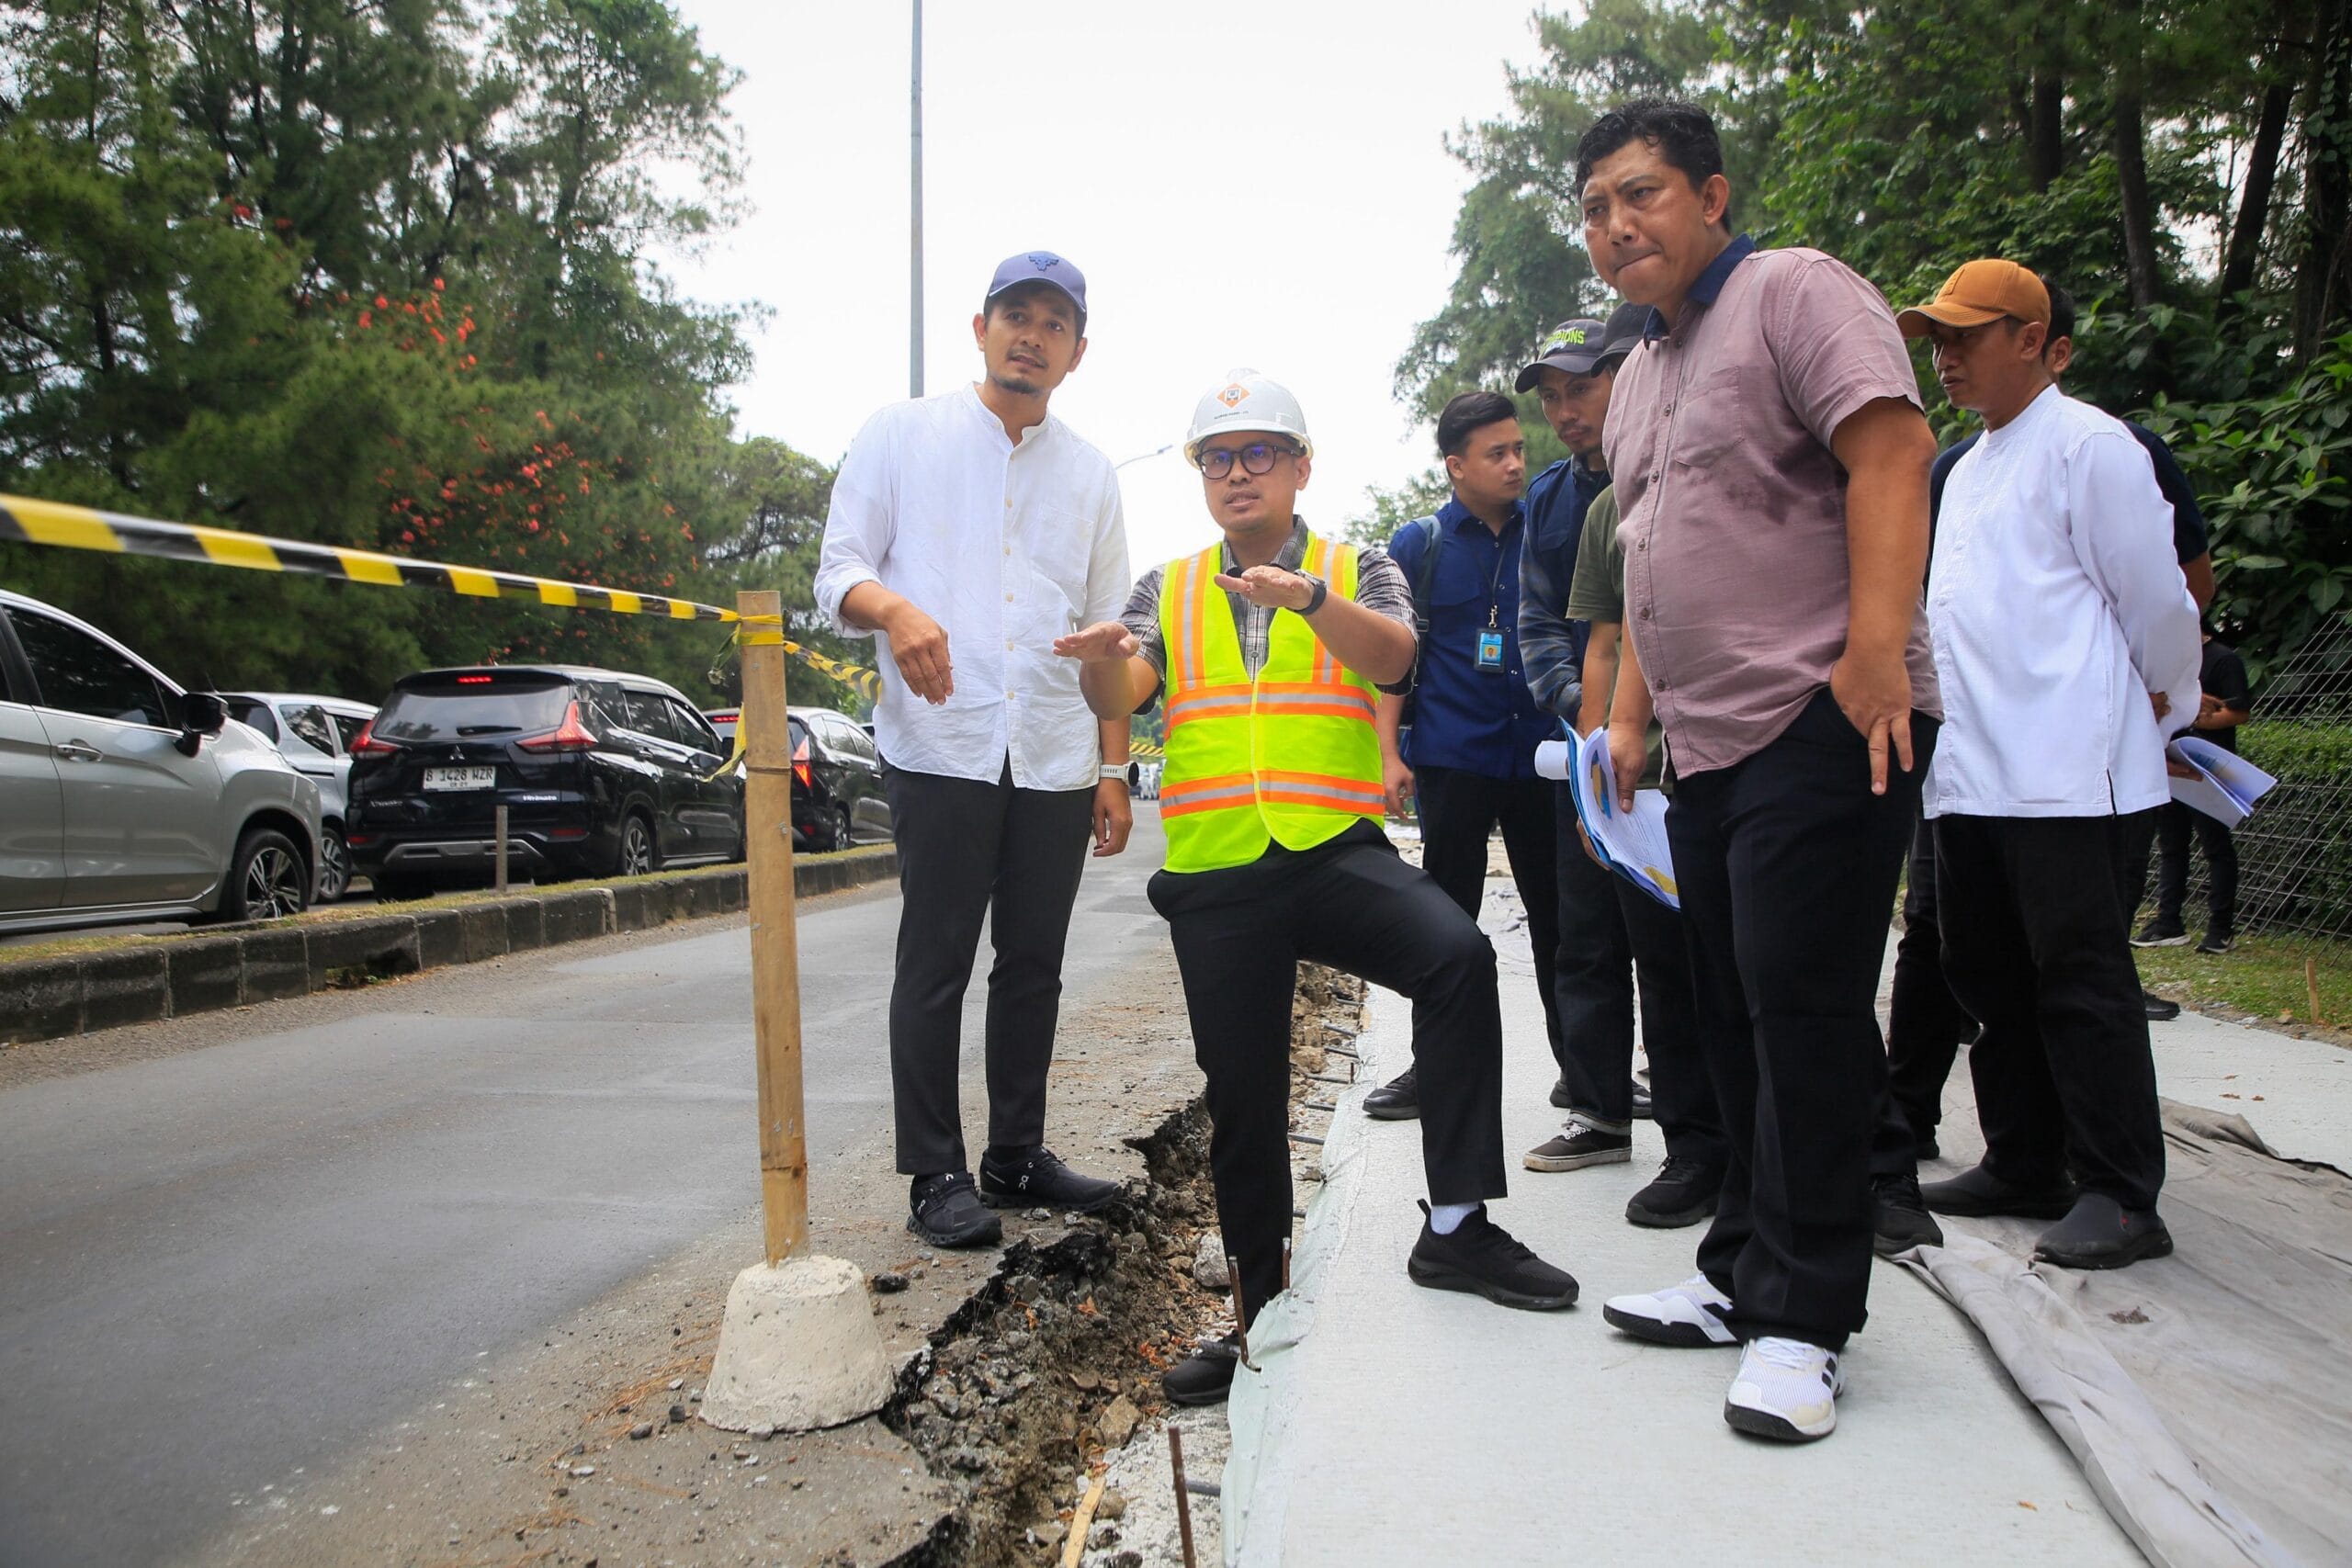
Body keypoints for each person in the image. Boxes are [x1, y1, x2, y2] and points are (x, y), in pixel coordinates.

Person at [1056, 369, 1579, 1407]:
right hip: (1217, 875)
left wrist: (1308, 600)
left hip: (1333, 851)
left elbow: (1394, 662)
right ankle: (1258, 1316)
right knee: (1243, 1100)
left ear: (1300, 468)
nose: (1237, 473)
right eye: (1218, 458)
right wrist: (1102, 666)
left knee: (1457, 957)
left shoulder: (1359, 565)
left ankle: (1458, 1228)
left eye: (1259, 454)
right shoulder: (1167, 586)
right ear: (1202, 477)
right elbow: (1127, 686)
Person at [1575, 100, 1942, 1444]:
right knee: (1727, 1009)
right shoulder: (1647, 375)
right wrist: (1634, 716)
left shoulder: (1795, 293)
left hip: (1820, 711)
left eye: (1644, 194)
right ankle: (1740, 1273)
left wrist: (1877, 652)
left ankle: (1807, 1318)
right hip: (1709, 743)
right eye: (1600, 208)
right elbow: (1656, 567)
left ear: (1712, 196)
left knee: (1804, 1013)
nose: (1620, 225)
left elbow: (1892, 447)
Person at [814, 251, 1136, 1250]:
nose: (1030, 335)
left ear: (1077, 352)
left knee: (1033, 961)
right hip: (940, 739)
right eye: (1015, 316)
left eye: (1053, 323)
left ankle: (1016, 1155)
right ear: (980, 327)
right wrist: (896, 610)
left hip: (1051, 746)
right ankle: (935, 1173)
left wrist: (1115, 766)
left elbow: (1112, 634)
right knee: (937, 957)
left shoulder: (1089, 474)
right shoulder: (900, 435)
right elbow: (837, 574)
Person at [1898, 258, 2199, 1270]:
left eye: (1967, 336)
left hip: (2074, 770)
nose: (1946, 357)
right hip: (1973, 773)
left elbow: (2157, 602)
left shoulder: (2092, 449)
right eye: (1937, 339)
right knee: (1981, 972)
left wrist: (2168, 701)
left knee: (2080, 980)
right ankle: (2024, 1159)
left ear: (2034, 340)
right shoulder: (1962, 467)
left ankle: (2120, 1191)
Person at [1516, 303, 1730, 1228]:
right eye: (1553, 396)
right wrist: (1599, 741)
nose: (1568, 410)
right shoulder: (1575, 506)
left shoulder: (1712, 473)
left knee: (1731, 962)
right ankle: (1621, 1116)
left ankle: (1797, 1154)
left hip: (1721, 750)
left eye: (1584, 387)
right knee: (1603, 945)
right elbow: (1575, 634)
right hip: (1611, 755)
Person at [1356, 391, 1564, 1124]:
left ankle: (1586, 1074)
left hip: (1541, 757)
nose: (1515, 462)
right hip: (1453, 756)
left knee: (1561, 921)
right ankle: (1431, 1069)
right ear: (1455, 467)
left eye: (1517, 448)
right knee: (1444, 923)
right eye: (1496, 453)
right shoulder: (1418, 545)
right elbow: (1392, 660)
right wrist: (1389, 753)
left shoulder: (1549, 525)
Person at [2135, 630, 2250, 953]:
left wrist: (2195, 721)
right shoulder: (2170, 662)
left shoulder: (2224, 659)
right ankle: (2168, 922)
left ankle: (2220, 928)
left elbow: (2238, 712)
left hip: (2207, 767)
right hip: (2170, 763)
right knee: (2171, 845)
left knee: (2215, 845)